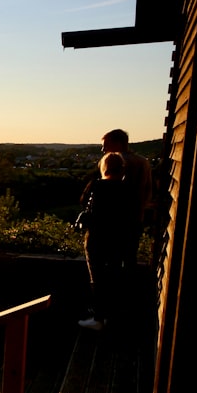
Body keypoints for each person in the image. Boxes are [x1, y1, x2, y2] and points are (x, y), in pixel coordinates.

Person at [78, 152, 139, 330]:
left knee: (97, 278)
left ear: (104, 167)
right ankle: (113, 316)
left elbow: (83, 203)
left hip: (96, 238)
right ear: (122, 169)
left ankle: (99, 318)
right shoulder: (129, 188)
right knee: (114, 275)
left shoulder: (96, 186)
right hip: (120, 239)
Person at [100, 128, 152, 266]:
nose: (103, 149)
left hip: (113, 221)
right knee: (130, 258)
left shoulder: (112, 161)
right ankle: (129, 286)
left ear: (118, 143)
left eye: (106, 145)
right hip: (136, 217)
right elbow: (148, 189)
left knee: (113, 260)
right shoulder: (143, 162)